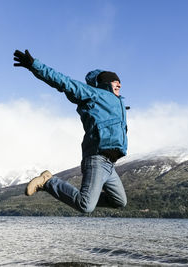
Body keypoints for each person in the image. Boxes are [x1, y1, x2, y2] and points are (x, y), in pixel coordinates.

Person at [13, 49, 128, 213]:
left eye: (120, 81)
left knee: (119, 201)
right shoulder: (94, 95)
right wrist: (34, 65)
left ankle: (87, 196)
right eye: (115, 81)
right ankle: (48, 181)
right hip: (97, 159)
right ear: (105, 83)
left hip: (110, 166)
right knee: (85, 206)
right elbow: (63, 82)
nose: (119, 84)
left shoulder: (119, 104)